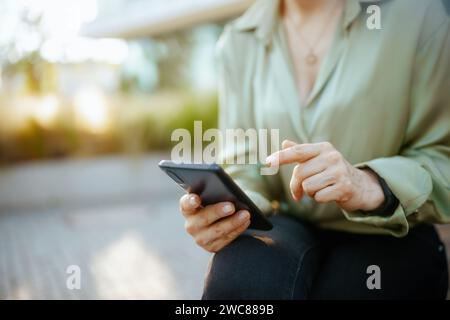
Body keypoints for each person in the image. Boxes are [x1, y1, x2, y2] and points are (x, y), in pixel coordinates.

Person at [179, 0, 450, 299]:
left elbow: (443, 156)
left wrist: (369, 183)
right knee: (241, 280)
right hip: (285, 222)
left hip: (389, 230)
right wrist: (229, 209)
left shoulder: (417, 15)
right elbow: (244, 164)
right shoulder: (238, 38)